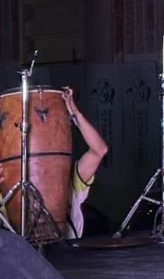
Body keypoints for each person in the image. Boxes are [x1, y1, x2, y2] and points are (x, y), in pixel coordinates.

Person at [62, 87, 107, 240]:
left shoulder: (70, 180)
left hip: (67, 257)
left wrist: (75, 114)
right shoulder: (8, 181)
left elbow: (99, 150)